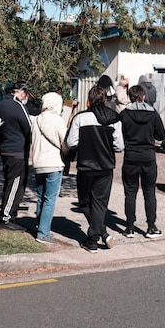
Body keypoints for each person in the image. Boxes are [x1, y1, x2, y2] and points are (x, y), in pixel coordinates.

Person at [65, 85, 124, 253]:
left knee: (84, 202)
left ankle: (93, 239)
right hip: (105, 166)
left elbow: (71, 143)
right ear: (105, 99)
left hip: (86, 166)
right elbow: (119, 145)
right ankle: (100, 234)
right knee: (99, 203)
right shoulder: (114, 117)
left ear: (89, 101)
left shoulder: (80, 118)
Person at [119, 85, 165, 238]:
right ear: (143, 96)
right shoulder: (152, 114)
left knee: (130, 192)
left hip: (131, 155)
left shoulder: (125, 114)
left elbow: (119, 134)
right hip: (148, 156)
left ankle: (130, 227)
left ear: (130, 97)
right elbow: (161, 134)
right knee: (149, 191)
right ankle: (151, 226)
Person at [30, 92, 67, 244]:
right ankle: (43, 233)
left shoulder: (36, 119)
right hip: (53, 162)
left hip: (38, 162)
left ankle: (40, 225)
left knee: (41, 197)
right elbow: (65, 141)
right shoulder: (58, 120)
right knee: (50, 199)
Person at [0, 81, 32, 230]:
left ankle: (9, 211)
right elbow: (29, 127)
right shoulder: (18, 106)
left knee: (9, 183)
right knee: (15, 185)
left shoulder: (0, 105)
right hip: (17, 151)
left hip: (5, 148)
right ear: (18, 92)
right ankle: (6, 218)